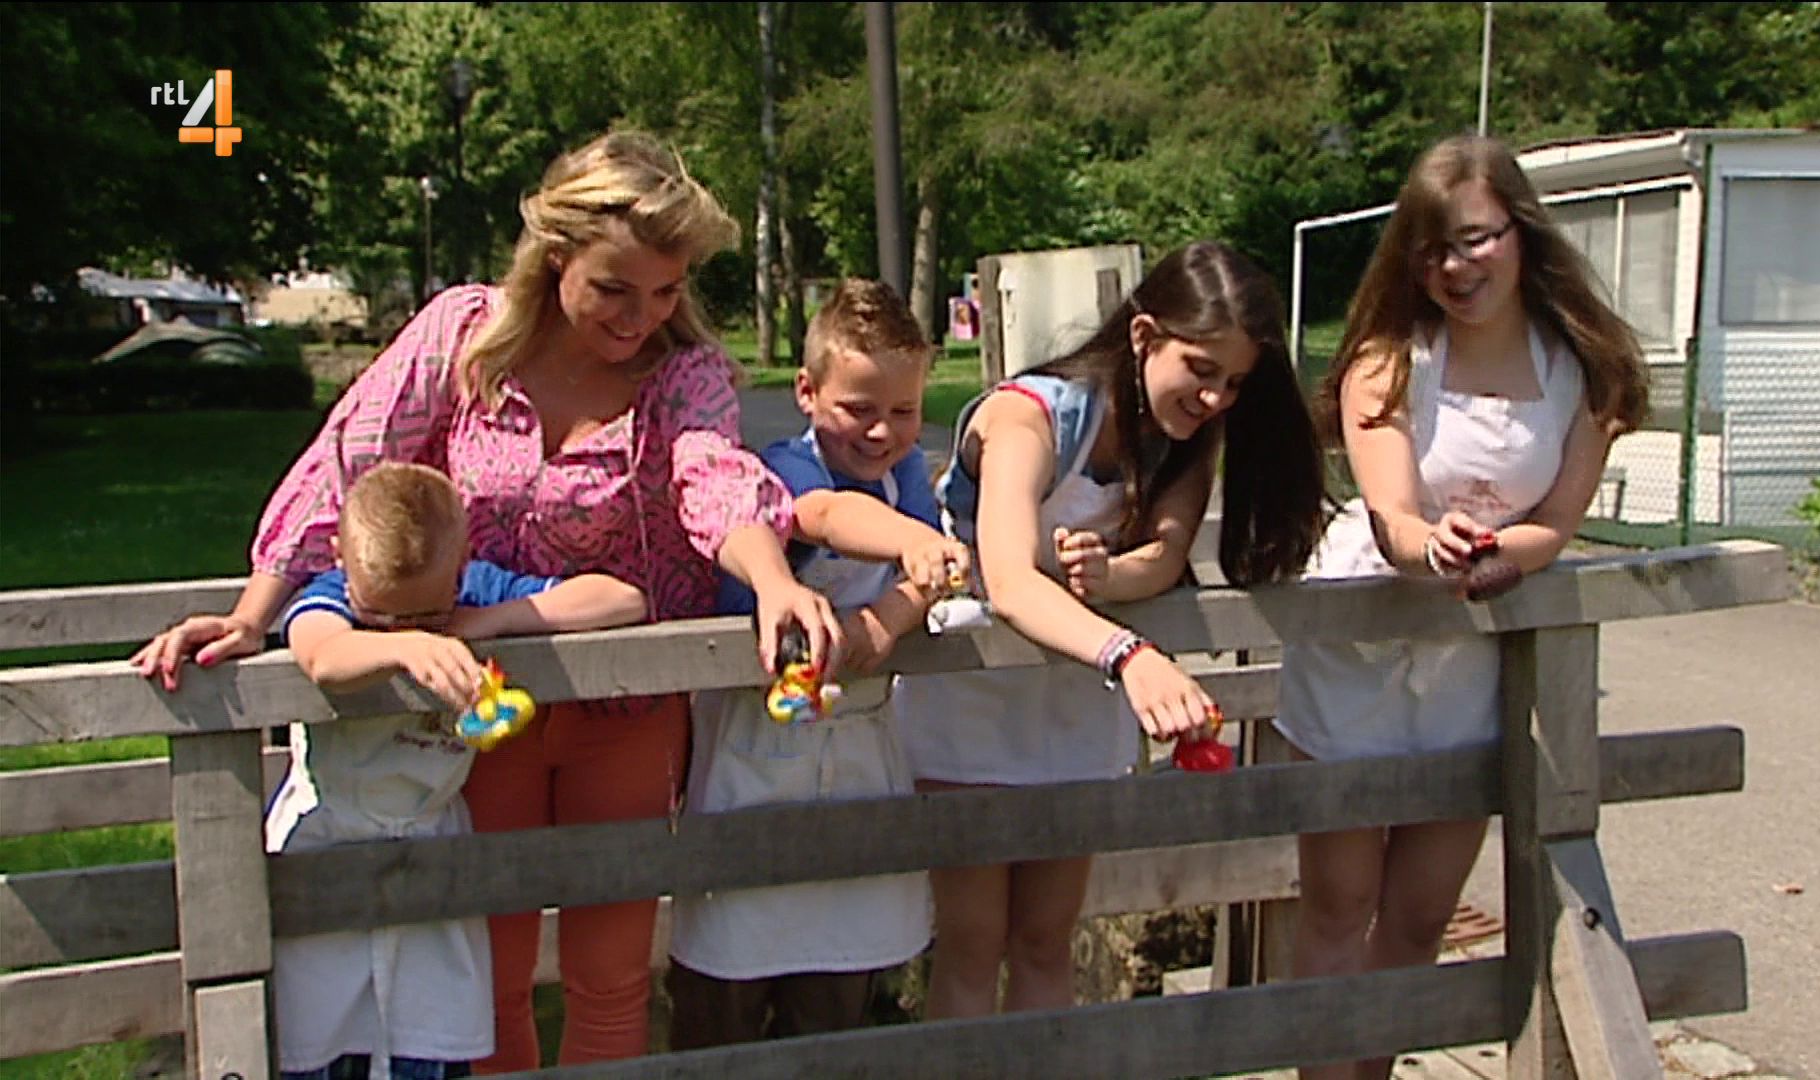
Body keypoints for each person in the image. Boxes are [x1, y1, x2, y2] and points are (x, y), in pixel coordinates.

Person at [131, 129, 843, 1070]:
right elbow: (349, 463)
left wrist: (774, 578)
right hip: (477, 706)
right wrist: (253, 614)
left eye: (667, 290)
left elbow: (712, 474)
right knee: (492, 972)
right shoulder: (463, 337)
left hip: (624, 706)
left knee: (610, 973)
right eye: (614, 289)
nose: (641, 316)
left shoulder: (683, 373)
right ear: (555, 258)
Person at [1274, 134, 1648, 1080]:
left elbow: (1554, 524)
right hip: (1361, 642)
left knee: (1420, 913)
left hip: (1473, 653)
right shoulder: (1386, 361)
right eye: (1433, 248)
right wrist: (1430, 545)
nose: (1455, 266)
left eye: (1475, 239)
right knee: (1338, 903)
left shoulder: (1584, 370)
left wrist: (1498, 556)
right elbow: (1393, 514)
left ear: (1521, 233)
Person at [892, 241, 1329, 1017]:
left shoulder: (1185, 440)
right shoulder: (1027, 418)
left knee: (1045, 940)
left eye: (1234, 382)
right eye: (1201, 370)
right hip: (976, 700)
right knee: (972, 943)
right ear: (1144, 336)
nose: (1216, 398)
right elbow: (1011, 580)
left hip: (1073, 707)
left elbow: (1164, 555)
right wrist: (1129, 654)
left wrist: (1108, 577)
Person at [269, 462, 652, 1080]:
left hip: (432, 853)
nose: (404, 627)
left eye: (426, 614)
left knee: (425, 1037)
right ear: (339, 557)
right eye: (382, 615)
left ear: (461, 563)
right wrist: (406, 646)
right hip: (328, 844)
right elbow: (323, 655)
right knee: (317, 1038)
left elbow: (622, 599)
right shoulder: (329, 597)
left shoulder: (473, 591)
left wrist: (492, 621)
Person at [666, 279, 969, 1047]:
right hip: (754, 753)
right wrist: (914, 545)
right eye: (858, 409)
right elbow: (826, 517)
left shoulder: (907, 475)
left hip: (858, 749)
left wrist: (886, 617)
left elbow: (923, 585)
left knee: (837, 990)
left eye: (904, 411)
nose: (882, 432)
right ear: (807, 392)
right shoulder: (783, 470)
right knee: (726, 990)